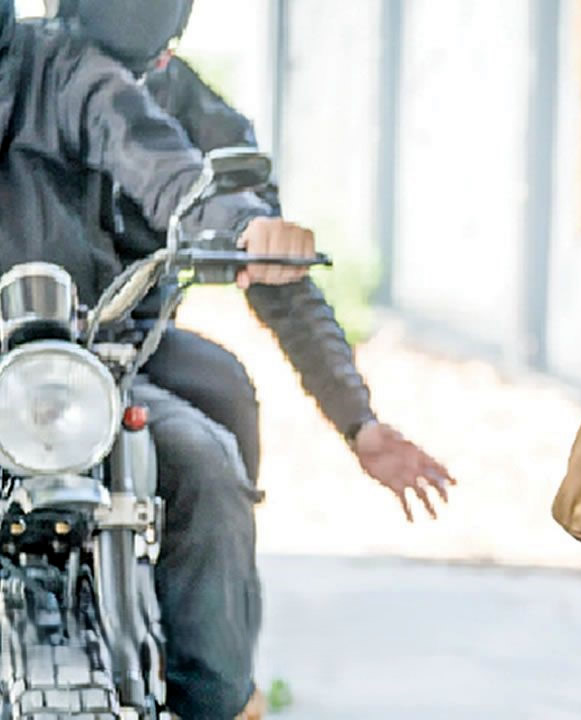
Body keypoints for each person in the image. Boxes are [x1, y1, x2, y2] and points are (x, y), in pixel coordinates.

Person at [0, 1, 456, 718]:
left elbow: (176, 176)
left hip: (97, 357)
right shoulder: (59, 58)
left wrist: (245, 230)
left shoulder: (74, 75)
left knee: (209, 450)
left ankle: (219, 697)